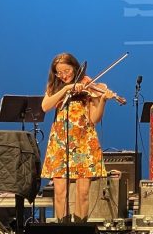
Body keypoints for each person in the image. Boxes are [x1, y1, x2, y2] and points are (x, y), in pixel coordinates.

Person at [40, 52, 117, 222]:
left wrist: (103, 100)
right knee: (60, 192)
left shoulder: (87, 86)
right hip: (60, 143)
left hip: (83, 142)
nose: (63, 75)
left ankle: (80, 229)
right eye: (59, 73)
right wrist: (66, 89)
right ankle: (62, 228)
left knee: (82, 193)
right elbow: (45, 106)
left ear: (75, 68)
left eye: (67, 71)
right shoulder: (55, 87)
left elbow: (94, 119)